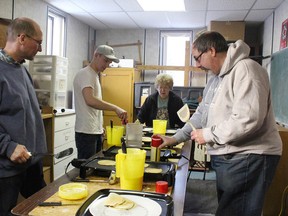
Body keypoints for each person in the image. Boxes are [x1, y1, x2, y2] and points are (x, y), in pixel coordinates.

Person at [159, 31, 282, 216]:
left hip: (249, 156)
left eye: (198, 58)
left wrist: (207, 134)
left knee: (235, 212)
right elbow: (201, 113)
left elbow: (247, 119)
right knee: (229, 209)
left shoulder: (246, 70)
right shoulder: (216, 79)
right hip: (230, 158)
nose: (197, 65)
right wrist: (175, 138)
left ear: (211, 50)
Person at [0, 17, 47, 215]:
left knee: (45, 205)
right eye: (38, 43)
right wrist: (8, 146)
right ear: (21, 38)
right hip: (7, 167)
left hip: (30, 162)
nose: (40, 49)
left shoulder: (22, 69)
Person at [73, 45, 127, 159]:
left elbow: (93, 107)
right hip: (86, 133)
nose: (107, 65)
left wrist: (99, 127)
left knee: (94, 167)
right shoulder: (85, 74)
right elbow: (90, 100)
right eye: (105, 60)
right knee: (86, 169)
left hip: (94, 131)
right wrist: (115, 108)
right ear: (96, 55)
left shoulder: (94, 75)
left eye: (110, 62)